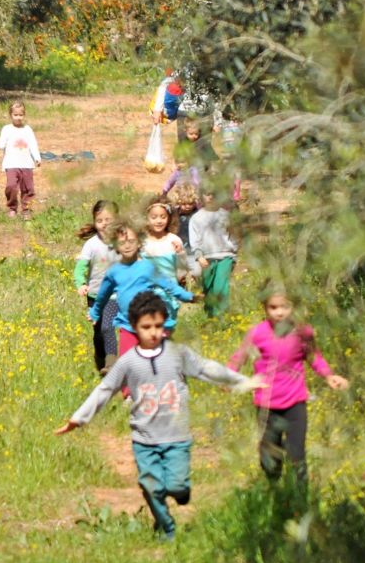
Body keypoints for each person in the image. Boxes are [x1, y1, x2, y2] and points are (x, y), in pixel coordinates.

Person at [56, 293, 263, 540]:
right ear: (134, 327)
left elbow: (207, 368)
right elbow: (105, 390)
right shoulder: (128, 362)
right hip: (144, 438)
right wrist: (79, 418)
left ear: (165, 324)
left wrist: (244, 382)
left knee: (177, 487)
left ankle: (180, 491)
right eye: (146, 327)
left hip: (177, 437)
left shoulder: (178, 353)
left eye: (158, 326)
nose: (153, 332)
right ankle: (167, 527)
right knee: (150, 486)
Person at [227, 286, 349, 482]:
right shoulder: (257, 333)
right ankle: (275, 494)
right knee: (270, 460)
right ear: (265, 308)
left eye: (285, 307)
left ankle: (301, 499)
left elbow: (313, 356)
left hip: (295, 402)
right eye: (273, 307)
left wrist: (329, 376)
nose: (280, 312)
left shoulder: (302, 332)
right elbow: (239, 357)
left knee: (297, 455)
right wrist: (229, 378)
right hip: (267, 405)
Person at [89, 218, 196, 362]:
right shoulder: (114, 272)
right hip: (127, 325)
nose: (127, 246)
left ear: (139, 242)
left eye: (131, 241)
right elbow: (103, 296)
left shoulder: (147, 268)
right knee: (129, 363)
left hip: (148, 325)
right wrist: (95, 313)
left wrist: (188, 296)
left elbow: (168, 285)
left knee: (154, 363)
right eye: (122, 243)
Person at [75, 200, 120, 374]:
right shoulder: (91, 244)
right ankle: (101, 360)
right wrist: (81, 284)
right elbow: (81, 268)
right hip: (94, 295)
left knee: (108, 326)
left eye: (108, 220)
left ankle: (111, 363)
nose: (104, 224)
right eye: (100, 220)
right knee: (98, 332)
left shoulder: (122, 241)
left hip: (115, 295)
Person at [141, 200, 190, 330]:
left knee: (167, 328)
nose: (159, 221)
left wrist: (180, 253)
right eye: (154, 217)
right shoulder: (142, 243)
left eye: (163, 217)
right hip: (148, 292)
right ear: (147, 219)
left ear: (169, 218)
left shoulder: (173, 240)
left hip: (169, 292)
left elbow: (182, 270)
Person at [188, 189, 237, 318]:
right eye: (207, 193)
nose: (210, 197)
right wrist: (199, 256)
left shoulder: (226, 216)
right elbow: (195, 240)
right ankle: (210, 317)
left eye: (214, 193)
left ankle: (222, 319)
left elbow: (234, 236)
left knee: (220, 288)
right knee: (208, 289)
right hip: (207, 258)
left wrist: (234, 254)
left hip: (225, 256)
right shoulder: (196, 218)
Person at [0, 101, 42, 218]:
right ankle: (12, 207)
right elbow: (1, 143)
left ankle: (26, 209)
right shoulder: (7, 129)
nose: (18, 118)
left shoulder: (27, 129)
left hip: (26, 164)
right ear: (10, 115)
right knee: (11, 186)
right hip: (11, 163)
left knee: (28, 188)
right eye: (15, 115)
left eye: (20, 115)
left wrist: (37, 157)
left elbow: (33, 144)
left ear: (24, 115)